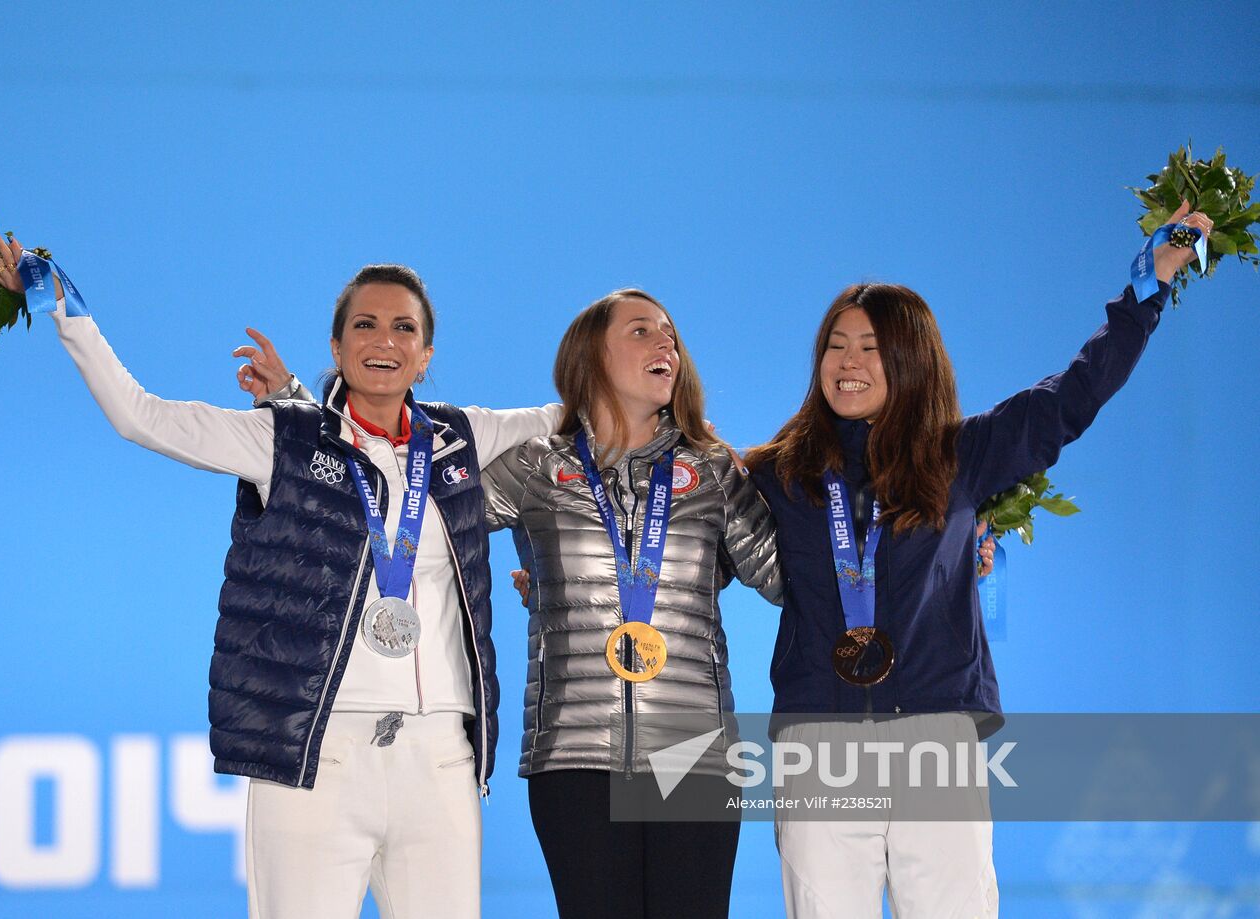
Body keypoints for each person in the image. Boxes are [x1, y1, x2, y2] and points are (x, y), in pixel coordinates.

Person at [0, 239, 561, 919]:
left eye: (405, 327)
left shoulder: (463, 437)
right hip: (317, 755)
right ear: (337, 346)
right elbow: (141, 414)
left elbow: (581, 415)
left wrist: (689, 426)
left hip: (441, 763)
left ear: (426, 355)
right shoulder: (280, 442)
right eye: (364, 324)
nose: (385, 340)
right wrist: (61, 308)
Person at [742, 204, 1214, 918]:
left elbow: (1069, 400)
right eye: (836, 346)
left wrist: (1148, 289)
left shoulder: (960, 454)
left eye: (869, 347)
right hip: (820, 739)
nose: (847, 362)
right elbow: (695, 542)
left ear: (910, 359)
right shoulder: (777, 473)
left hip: (936, 732)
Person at [482, 289, 784, 919]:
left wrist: (931, 542)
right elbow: (423, 528)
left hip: (693, 751)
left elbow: (792, 577)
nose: (666, 344)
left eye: (671, 334)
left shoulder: (711, 473)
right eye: (642, 331)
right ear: (590, 357)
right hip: (574, 751)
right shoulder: (535, 465)